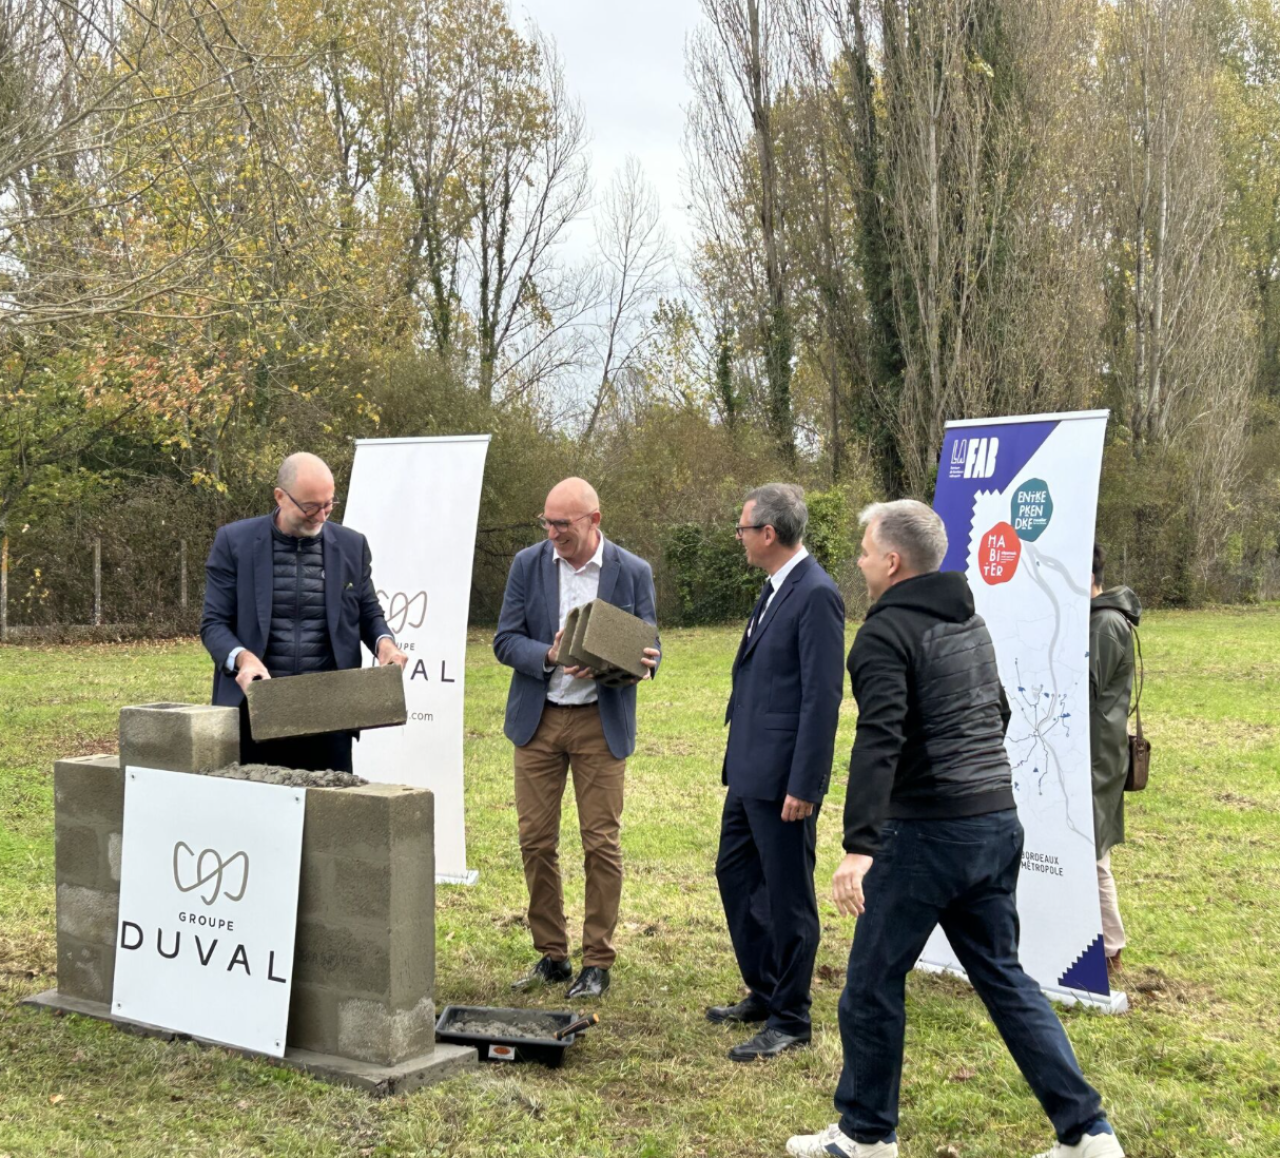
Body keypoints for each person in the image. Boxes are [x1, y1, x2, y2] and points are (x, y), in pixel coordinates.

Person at [787, 500, 1124, 1158]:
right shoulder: (970, 619)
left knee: (871, 984)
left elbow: (878, 739)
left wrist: (859, 847)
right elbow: (994, 711)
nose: (857, 561)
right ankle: (1088, 1133)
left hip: (928, 837)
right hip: (996, 824)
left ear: (891, 561)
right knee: (1003, 976)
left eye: (863, 549)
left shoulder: (883, 635)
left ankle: (865, 1135)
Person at [493, 477, 660, 1000]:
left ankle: (598, 962)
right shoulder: (528, 563)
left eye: (562, 524)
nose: (552, 533)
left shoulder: (632, 571)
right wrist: (550, 654)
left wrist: (629, 664)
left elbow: (650, 648)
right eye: (547, 522)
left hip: (598, 722)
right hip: (538, 720)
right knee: (535, 841)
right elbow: (504, 640)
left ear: (594, 520)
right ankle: (552, 955)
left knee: (600, 844)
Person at [707, 483, 845, 1062]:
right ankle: (764, 989)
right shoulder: (773, 590)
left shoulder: (815, 594)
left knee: (789, 899)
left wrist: (804, 785)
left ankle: (792, 1017)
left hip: (783, 780)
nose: (738, 537)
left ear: (768, 533)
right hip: (748, 772)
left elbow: (822, 698)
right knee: (735, 873)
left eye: (742, 528)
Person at [199, 452, 407, 772]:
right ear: (280, 497)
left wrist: (384, 643)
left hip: (330, 717)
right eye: (311, 507)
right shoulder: (234, 542)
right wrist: (242, 657)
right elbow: (214, 624)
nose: (321, 516)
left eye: (328, 505)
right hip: (253, 715)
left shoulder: (353, 546)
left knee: (329, 818)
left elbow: (368, 613)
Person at [1089, 544, 1141, 973]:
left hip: (1095, 755)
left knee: (1092, 849)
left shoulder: (1104, 624)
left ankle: (1109, 946)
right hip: (1097, 750)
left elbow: (1084, 690)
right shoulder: (1103, 619)